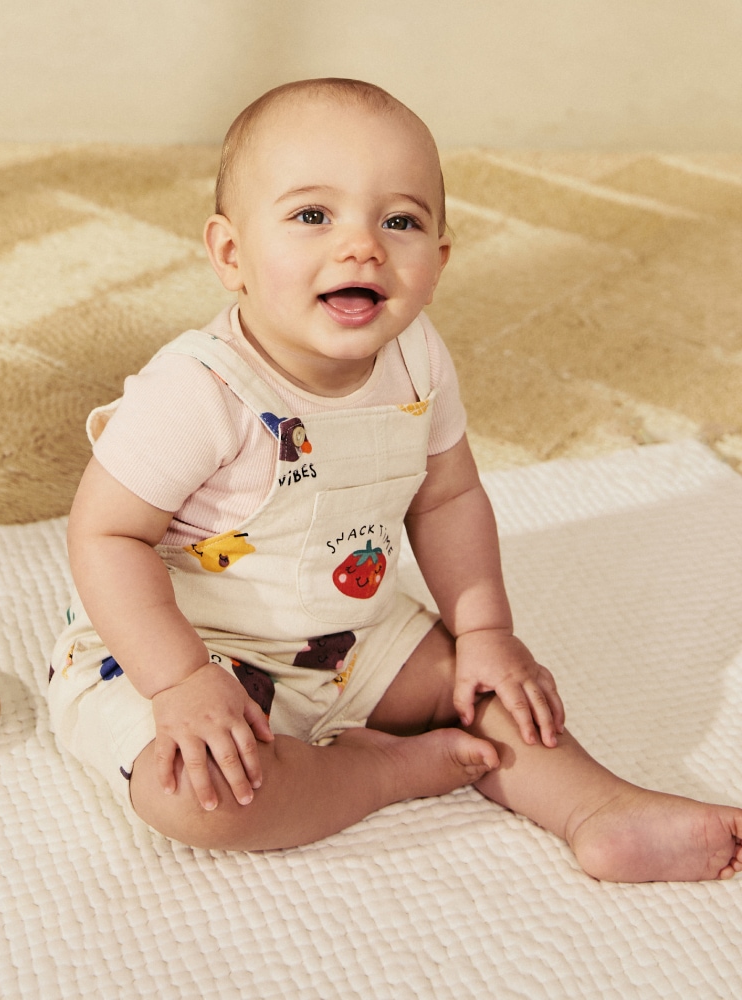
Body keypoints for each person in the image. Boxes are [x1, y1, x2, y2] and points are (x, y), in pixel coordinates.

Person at [49, 78, 742, 882]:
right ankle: (375, 773)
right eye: (314, 216)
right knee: (195, 795)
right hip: (181, 645)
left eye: (401, 221)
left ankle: (600, 809)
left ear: (438, 261)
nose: (362, 247)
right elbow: (106, 534)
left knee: (489, 690)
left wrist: (484, 631)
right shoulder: (197, 391)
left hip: (351, 638)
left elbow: (447, 497)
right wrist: (179, 681)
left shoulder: (417, 361)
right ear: (231, 254)